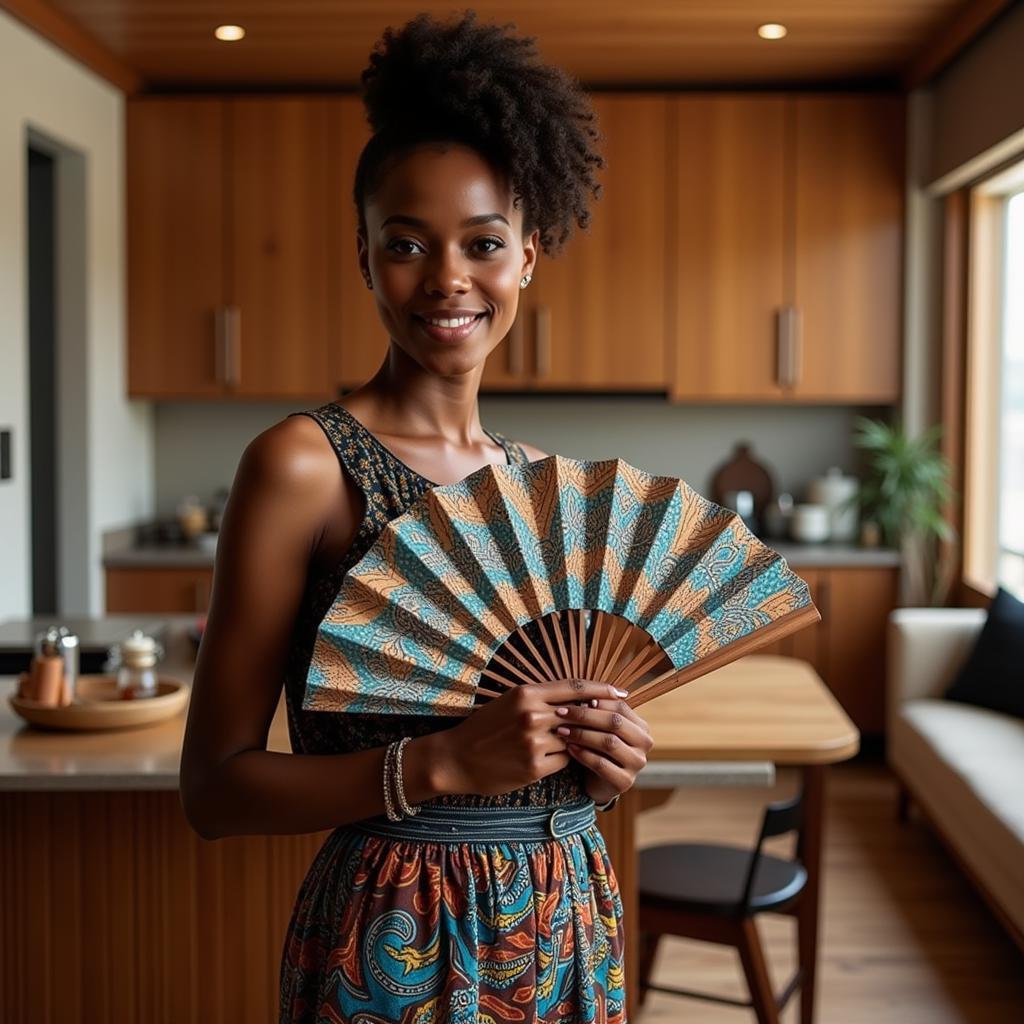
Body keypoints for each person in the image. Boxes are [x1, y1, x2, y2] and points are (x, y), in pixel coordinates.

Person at [179, 12, 653, 1023]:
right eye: (407, 243)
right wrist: (439, 762)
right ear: (363, 255)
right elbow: (214, 791)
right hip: (397, 932)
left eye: (483, 243)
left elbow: (542, 749)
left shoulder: (541, 487)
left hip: (569, 913)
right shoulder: (302, 465)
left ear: (527, 256)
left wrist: (597, 762)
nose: (447, 278)